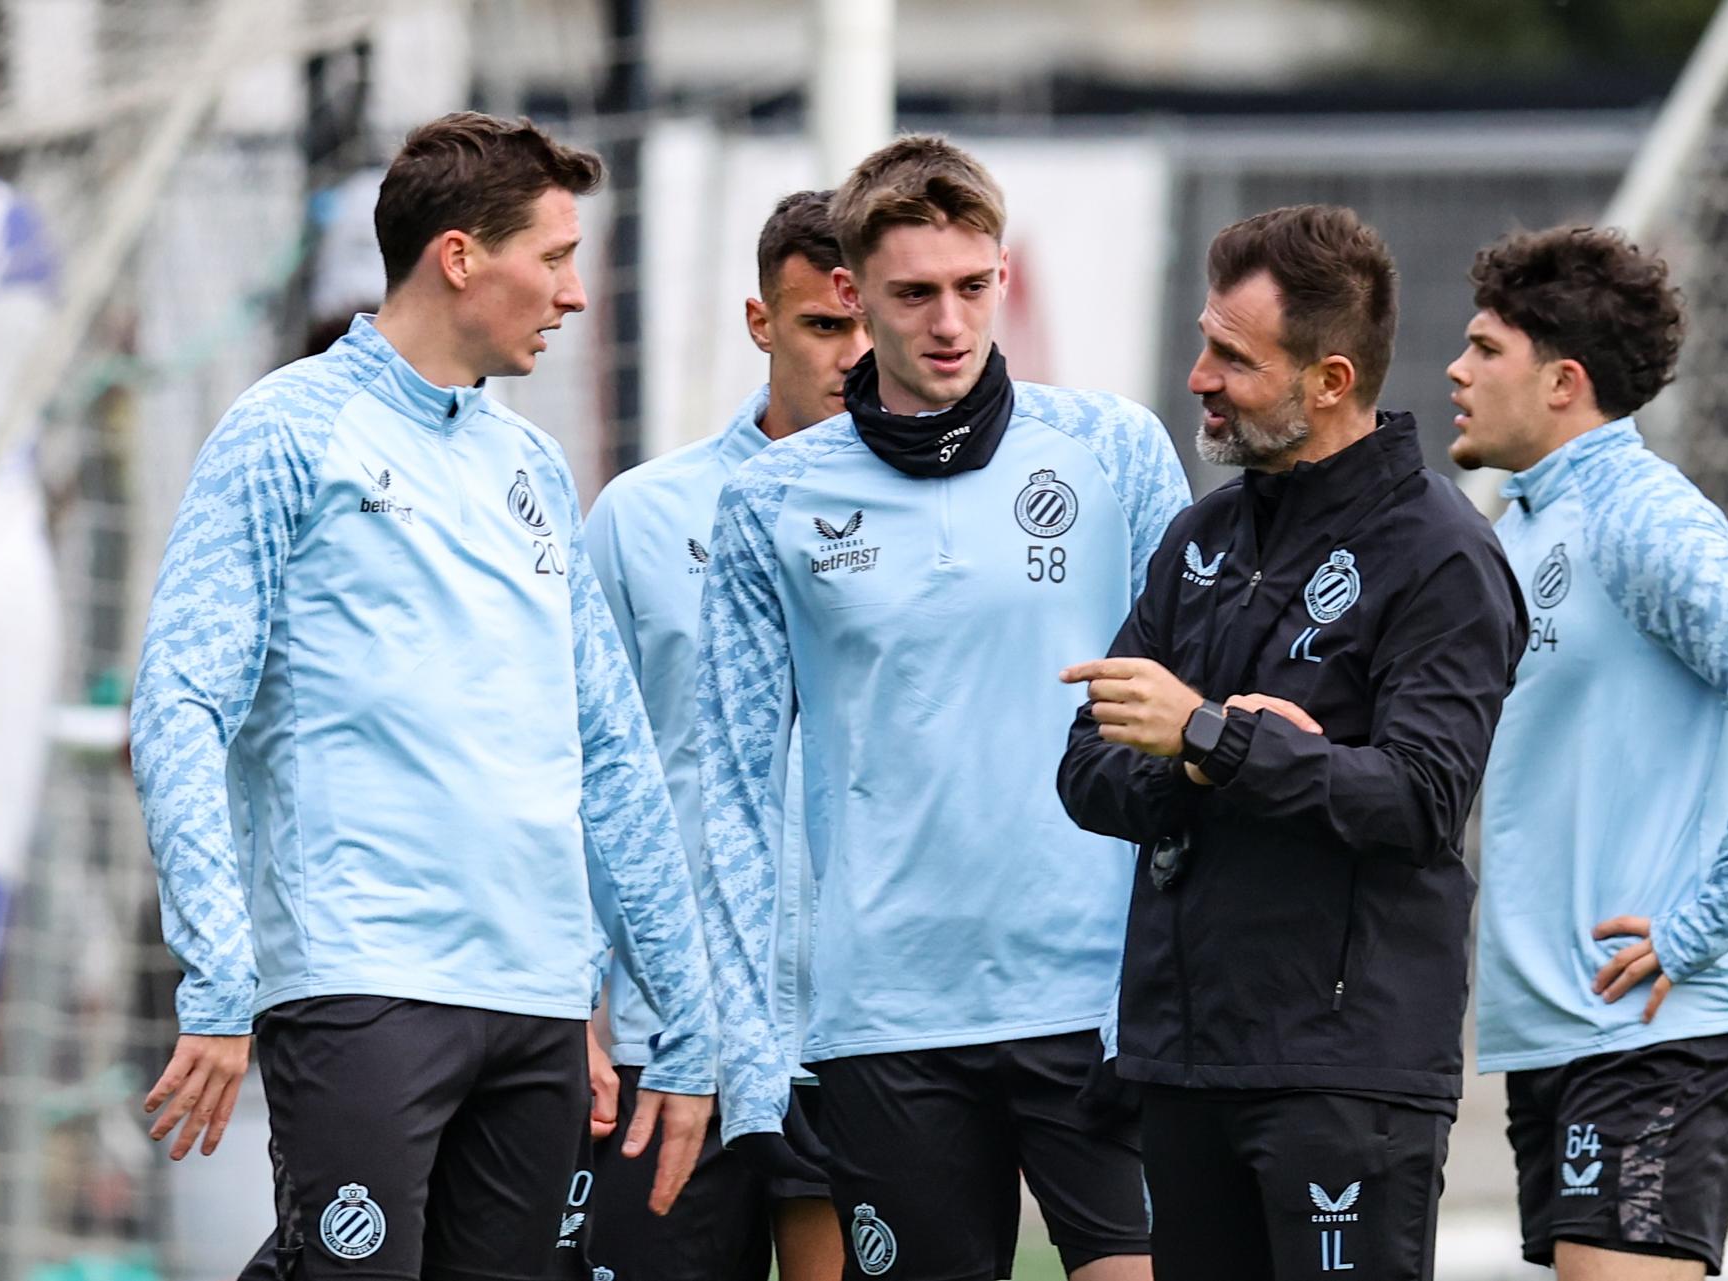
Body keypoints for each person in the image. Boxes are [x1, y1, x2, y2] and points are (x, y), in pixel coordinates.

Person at [129, 112, 715, 1280]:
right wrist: (221, 973)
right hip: (365, 986)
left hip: (540, 1007)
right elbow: (180, 702)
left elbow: (610, 754)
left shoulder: (532, 466)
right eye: (552, 258)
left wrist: (680, 1022)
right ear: (459, 257)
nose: (576, 293)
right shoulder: (286, 432)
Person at [696, 135, 1186, 1281]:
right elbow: (731, 782)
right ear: (853, 296)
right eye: (913, 294)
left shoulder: (1115, 449)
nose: (949, 322)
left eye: (973, 287)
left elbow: (1187, 715)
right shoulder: (769, 501)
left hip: (1093, 996)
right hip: (887, 1011)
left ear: (1003, 280)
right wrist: (754, 1033)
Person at [1056, 203, 1526, 1281]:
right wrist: (1206, 752)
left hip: (1343, 1076)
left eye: (1234, 356)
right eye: (1205, 343)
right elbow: (1088, 770)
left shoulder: (1442, 554)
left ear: (1330, 380)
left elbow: (1420, 801)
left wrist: (1214, 742)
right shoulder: (1200, 540)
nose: (1199, 377)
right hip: (1183, 1061)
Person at [1447, 225, 1728, 1280]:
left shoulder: (1642, 517)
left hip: (1661, 1028)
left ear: (1563, 381)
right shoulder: (1521, 524)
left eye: (1487, 350)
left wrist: (1703, 924)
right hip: (1569, 1034)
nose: (1457, 369)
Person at [581, 189, 863, 1281]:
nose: (851, 356)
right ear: (762, 323)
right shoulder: (643, 518)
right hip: (672, 1036)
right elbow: (586, 771)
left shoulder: (940, 530)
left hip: (856, 1033)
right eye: (820, 327)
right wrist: (579, 1002)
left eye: (867, 327)